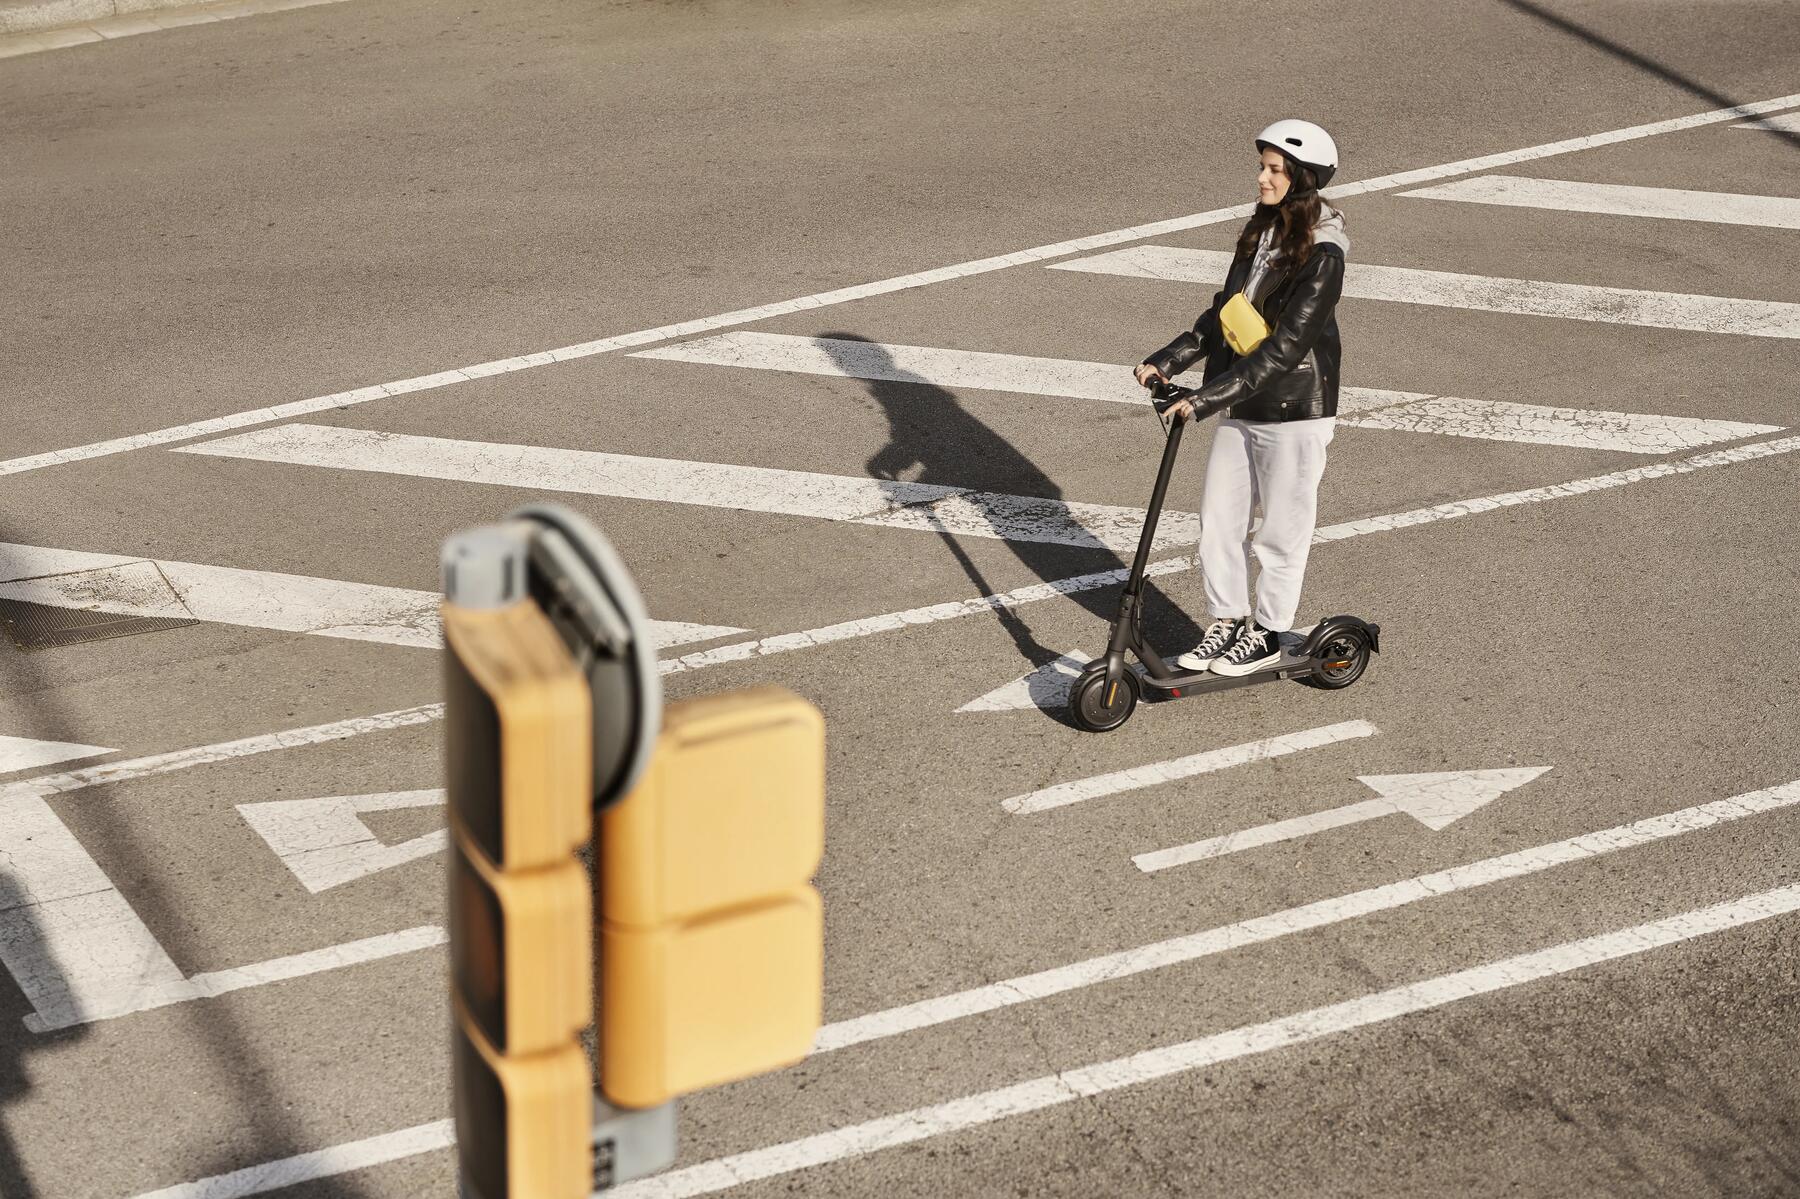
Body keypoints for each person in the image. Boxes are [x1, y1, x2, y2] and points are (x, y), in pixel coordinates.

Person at [1134, 118, 1348, 677]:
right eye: (1262, 165)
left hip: (1296, 408)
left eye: (1275, 169)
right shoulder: (1262, 233)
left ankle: (1269, 633)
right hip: (1245, 398)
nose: (1262, 177)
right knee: (1218, 521)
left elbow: (1285, 348)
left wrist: (1203, 399)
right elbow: (1225, 313)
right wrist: (1167, 359)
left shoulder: (1324, 255)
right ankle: (1227, 621)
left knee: (1278, 532)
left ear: (1304, 178)